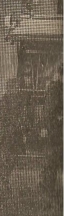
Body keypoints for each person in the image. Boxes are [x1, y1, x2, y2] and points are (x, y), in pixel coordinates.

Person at [0, 79, 30, 189]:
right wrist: (14, 122)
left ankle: (1, 177)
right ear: (9, 89)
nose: (16, 90)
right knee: (5, 158)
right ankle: (2, 180)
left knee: (13, 158)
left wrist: (24, 127)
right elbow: (1, 115)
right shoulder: (3, 101)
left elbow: (24, 117)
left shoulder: (20, 102)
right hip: (4, 135)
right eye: (14, 87)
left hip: (15, 135)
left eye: (17, 87)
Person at [41, 65, 62, 205]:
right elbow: (49, 113)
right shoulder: (55, 89)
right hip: (56, 132)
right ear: (60, 75)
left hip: (59, 132)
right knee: (52, 162)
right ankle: (47, 192)